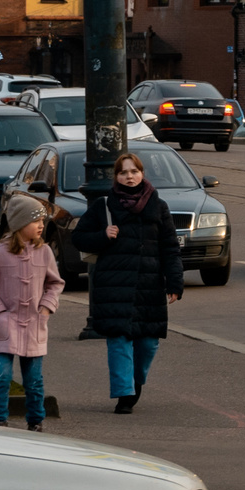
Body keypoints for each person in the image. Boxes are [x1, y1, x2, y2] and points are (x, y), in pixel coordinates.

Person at [74, 150, 182, 414]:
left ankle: (136, 381)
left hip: (149, 285)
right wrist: (102, 235)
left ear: (142, 173)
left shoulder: (158, 206)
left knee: (148, 343)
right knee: (119, 340)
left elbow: (170, 248)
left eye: (134, 171)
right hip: (114, 284)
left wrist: (174, 283)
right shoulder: (103, 205)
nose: (129, 176)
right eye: (123, 172)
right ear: (116, 176)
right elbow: (78, 238)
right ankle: (124, 394)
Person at [0, 191, 63, 431]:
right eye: (36, 221)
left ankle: (35, 421)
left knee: (33, 380)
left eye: (42, 221)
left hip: (34, 325)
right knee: (2, 376)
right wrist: (0, 313)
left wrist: (46, 308)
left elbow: (55, 284)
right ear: (20, 224)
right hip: (5, 327)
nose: (41, 225)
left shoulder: (44, 252)